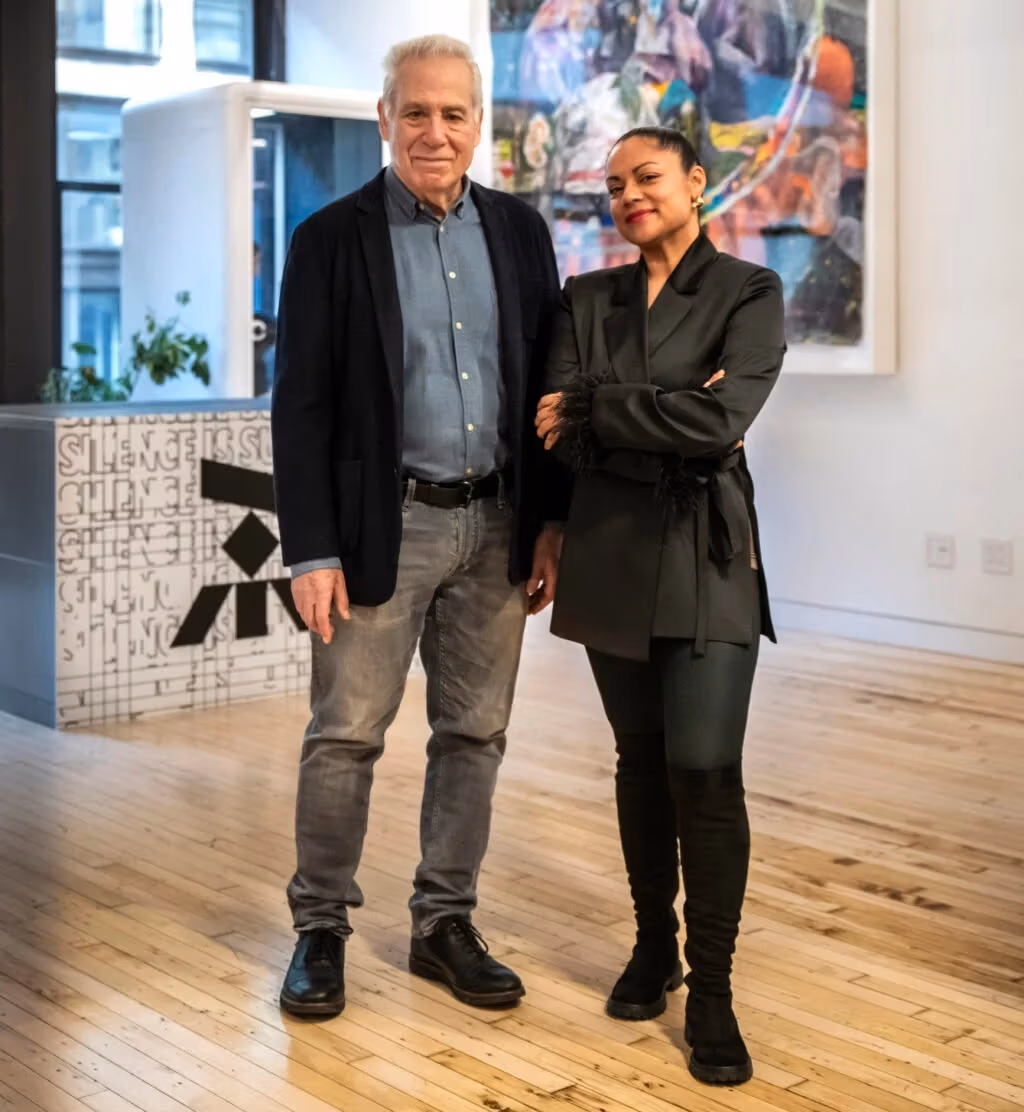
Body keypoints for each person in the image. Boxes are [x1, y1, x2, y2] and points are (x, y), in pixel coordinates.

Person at [271, 33, 567, 1019]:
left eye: (453, 113)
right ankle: (320, 926)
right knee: (345, 733)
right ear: (384, 119)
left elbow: (549, 390)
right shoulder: (328, 239)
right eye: (415, 111)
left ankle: (444, 919)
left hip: (497, 524)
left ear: (478, 125)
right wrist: (311, 546)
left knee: (474, 732)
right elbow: (301, 405)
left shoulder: (522, 233)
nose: (434, 131)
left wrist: (549, 523)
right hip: (376, 530)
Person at [535, 126, 785, 1085]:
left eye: (647, 177)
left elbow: (725, 422)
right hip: (608, 553)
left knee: (705, 766)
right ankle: (655, 947)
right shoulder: (585, 297)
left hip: (709, 552)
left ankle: (713, 988)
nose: (629, 194)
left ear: (694, 181)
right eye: (613, 185)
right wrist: (648, 412)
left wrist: (602, 407)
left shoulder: (749, 291)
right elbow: (557, 433)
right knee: (639, 761)